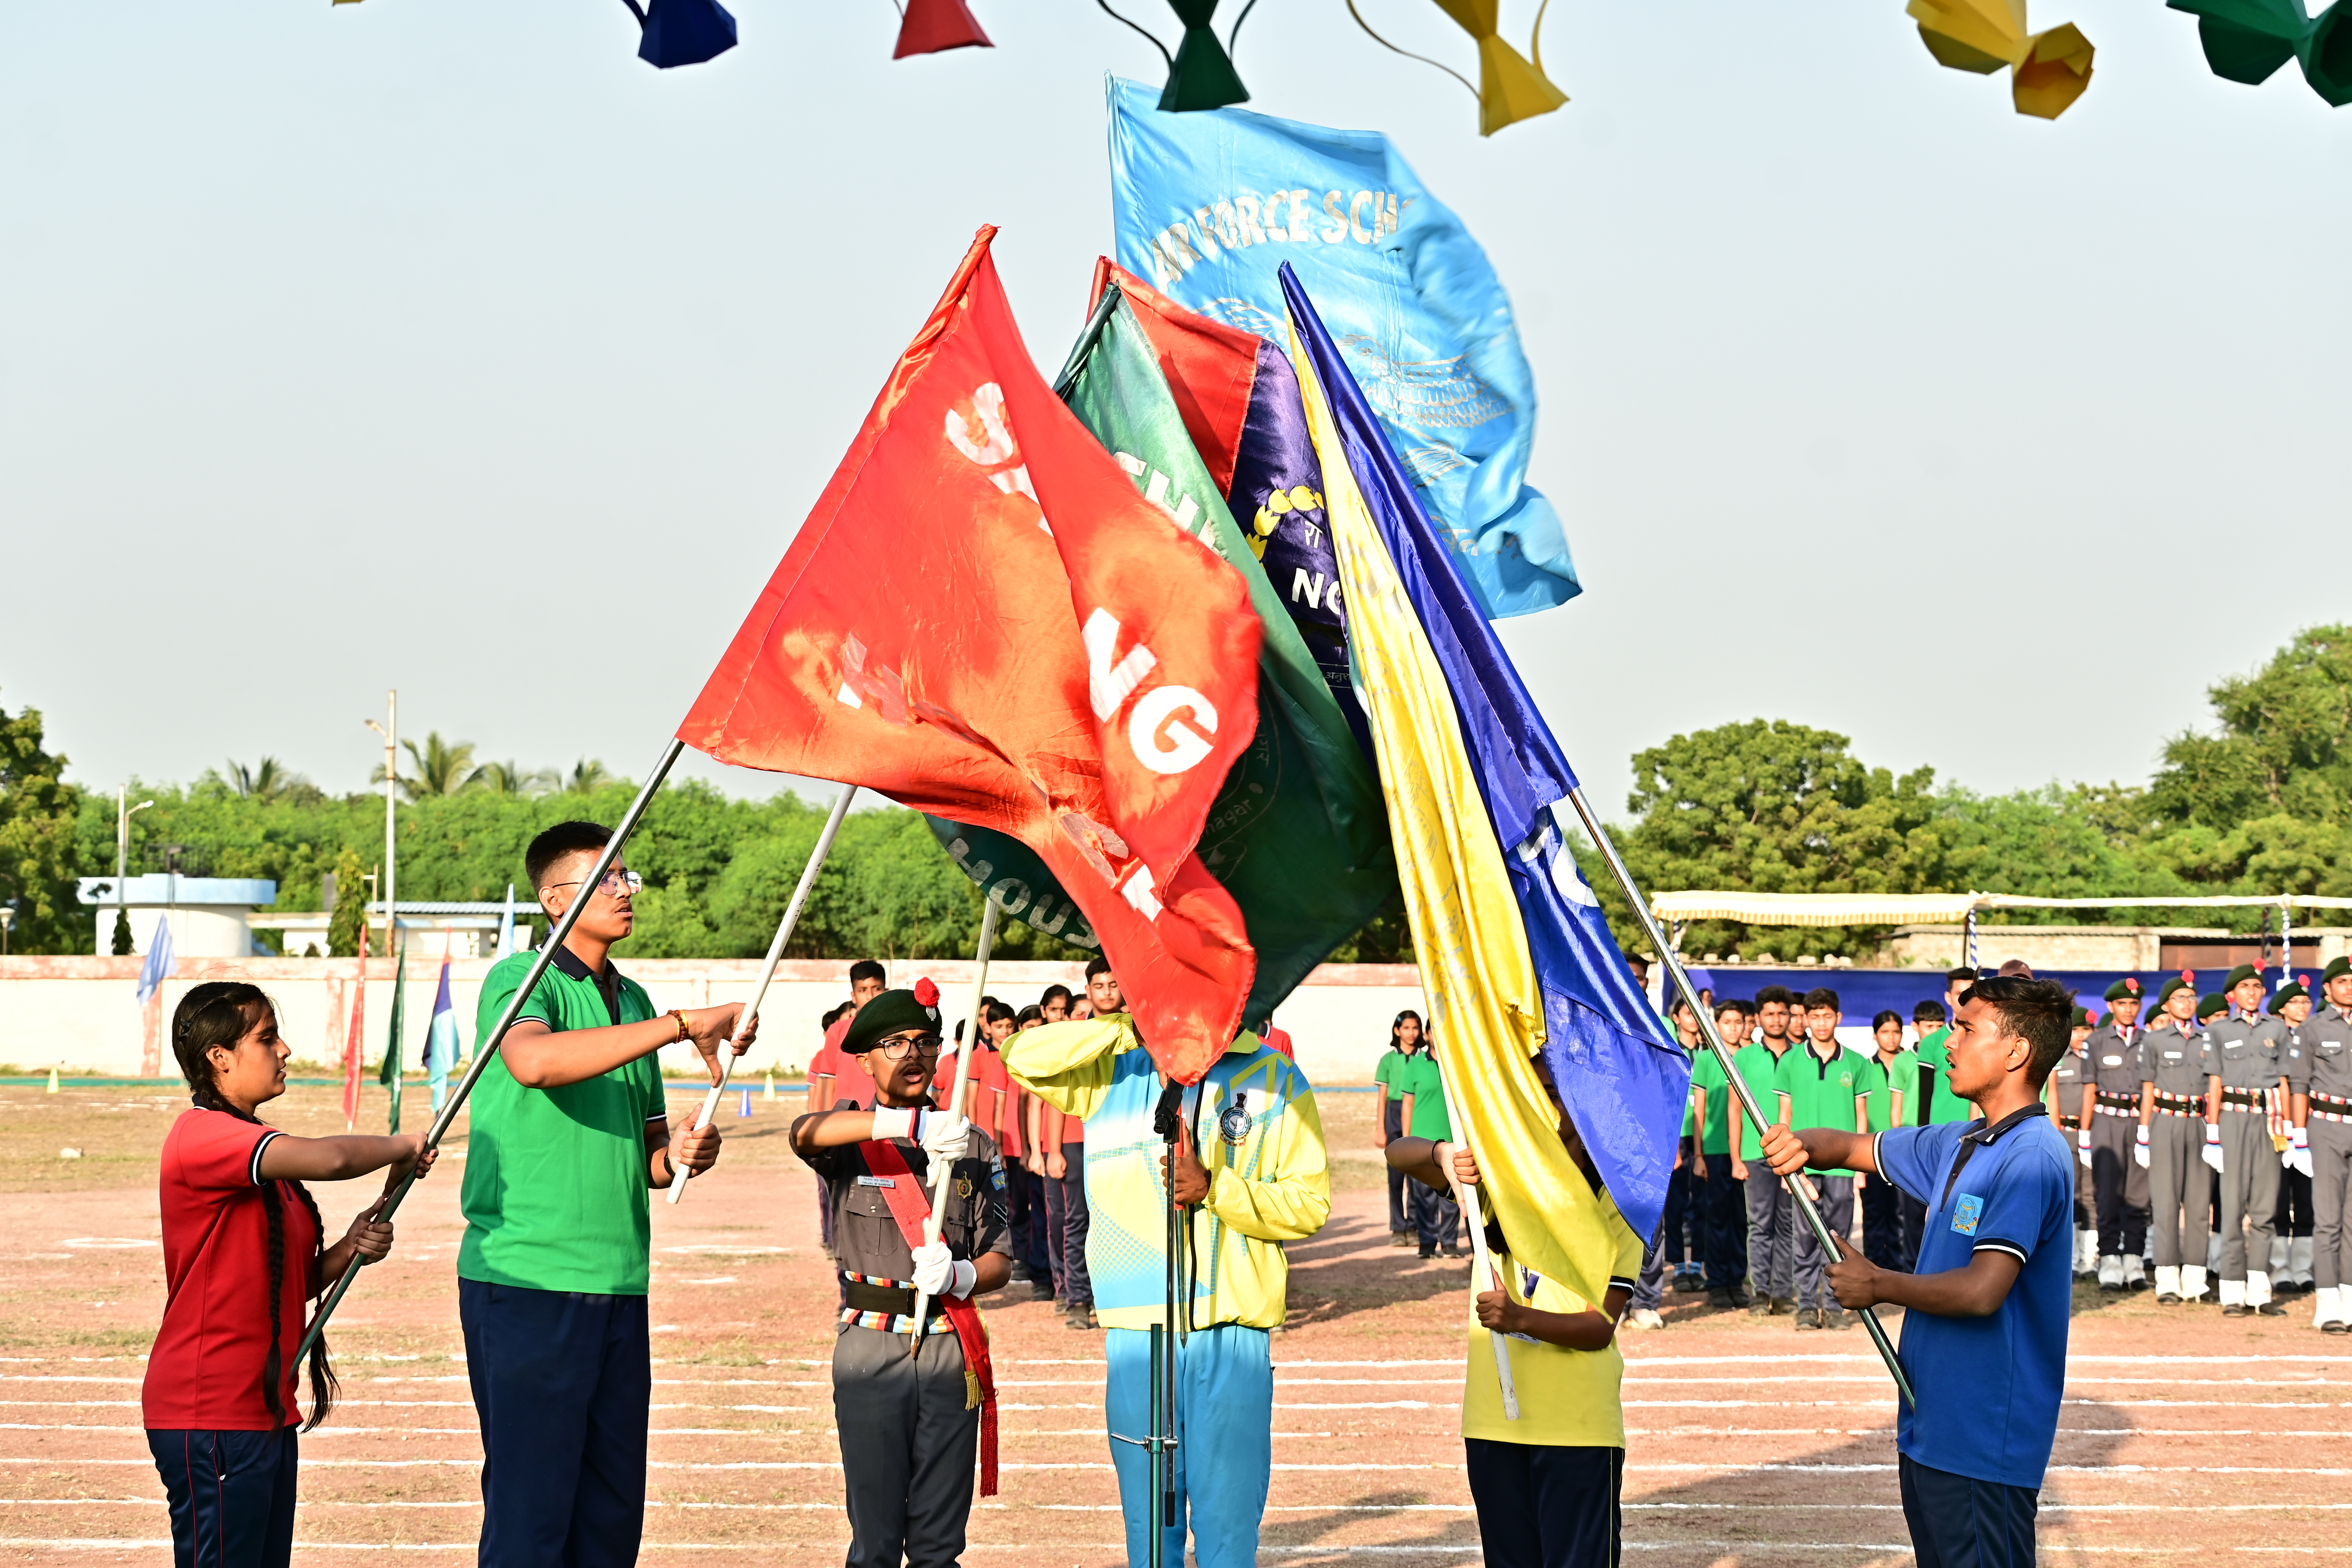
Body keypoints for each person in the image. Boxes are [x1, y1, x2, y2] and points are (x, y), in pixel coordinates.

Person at [459, 822, 753, 1568]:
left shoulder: (634, 999)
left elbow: (648, 1153)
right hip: (528, 1279)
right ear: (557, 900)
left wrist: (681, 1151)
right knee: (531, 1512)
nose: (626, 891)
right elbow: (532, 1062)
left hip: (619, 1281)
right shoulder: (520, 980)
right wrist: (682, 1025)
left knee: (610, 1513)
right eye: (608, 878)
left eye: (629, 877)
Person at [1003, 987, 1331, 1568]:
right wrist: (1139, 1026)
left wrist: (1216, 1189)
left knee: (1227, 1526)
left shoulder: (1275, 1078)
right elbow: (1022, 1056)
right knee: (1152, 1529)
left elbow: (1309, 1204)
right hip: (1138, 1334)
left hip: (1230, 1331)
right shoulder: (1111, 1072)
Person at [1759, 975, 2077, 1568]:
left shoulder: (2031, 1156)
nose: (1948, 1045)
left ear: (2016, 1052)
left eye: (1965, 1029)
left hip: (1983, 1441)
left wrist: (1878, 1285)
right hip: (1933, 1428)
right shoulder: (1962, 1141)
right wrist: (1800, 1143)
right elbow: (1854, 1147)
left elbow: (1985, 1291)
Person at [148, 982, 434, 1568]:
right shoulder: (203, 1136)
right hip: (212, 1409)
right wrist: (400, 1144)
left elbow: (284, 1286)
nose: (285, 1051)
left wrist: (350, 1248)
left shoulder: (257, 1154)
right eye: (267, 1037)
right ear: (219, 1057)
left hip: (265, 1407)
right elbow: (331, 1159)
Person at [1386, 1059, 1643, 1568]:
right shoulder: (1500, 1179)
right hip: (1494, 1423)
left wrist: (1519, 1319)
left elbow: (1598, 1328)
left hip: (1577, 1426)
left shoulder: (1621, 1196)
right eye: (1532, 1091)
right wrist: (1444, 1154)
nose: (1542, 1103)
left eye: (1553, 1091)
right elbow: (1399, 1152)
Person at [790, 979, 1011, 1568]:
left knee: (940, 1544)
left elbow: (1001, 1259)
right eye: (894, 1043)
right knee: (876, 1541)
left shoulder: (973, 1146)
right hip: (870, 1345)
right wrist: (904, 1130)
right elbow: (803, 1134)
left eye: (924, 1042)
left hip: (947, 1347)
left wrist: (962, 1276)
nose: (913, 1054)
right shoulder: (851, 1134)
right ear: (864, 1059)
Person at [1772, 988, 1869, 1330]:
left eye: (1828, 1015)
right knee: (1805, 1237)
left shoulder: (1857, 1062)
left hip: (1845, 1164)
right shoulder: (1790, 1060)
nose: (1821, 1022)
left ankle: (1835, 1307)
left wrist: (1861, 1169)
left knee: (1839, 1238)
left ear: (1838, 1018)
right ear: (1806, 1019)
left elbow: (1861, 1117)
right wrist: (1786, 1167)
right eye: (1815, 1016)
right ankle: (1806, 1308)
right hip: (1802, 1165)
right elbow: (1785, 1114)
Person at [2208, 963, 2291, 1317]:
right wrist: (2212, 1132)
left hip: (2269, 1120)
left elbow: (2285, 1081)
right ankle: (2231, 1292)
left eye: (2258, 986)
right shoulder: (2219, 1030)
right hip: (2233, 1119)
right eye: (2245, 986)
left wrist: (2290, 1129)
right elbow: (2214, 1082)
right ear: (2233, 994)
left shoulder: (2279, 1028)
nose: (2253, 992)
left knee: (2265, 1209)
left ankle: (2260, 1290)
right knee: (2232, 1206)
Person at [2135, 974, 2213, 1305]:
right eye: (2180, 998)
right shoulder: (2154, 1040)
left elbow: (2216, 1085)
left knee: (2198, 1204)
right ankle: (2167, 1280)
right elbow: (2148, 1088)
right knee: (2165, 1202)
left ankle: (2196, 1278)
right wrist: (2143, 1131)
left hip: (2200, 1121)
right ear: (2166, 1005)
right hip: (2164, 1122)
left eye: (2191, 997)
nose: (2187, 1003)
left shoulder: (2209, 1039)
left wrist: (2216, 1128)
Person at [2288, 956, 2352, 1331]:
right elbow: (2299, 1084)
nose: (2349, 987)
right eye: (2342, 981)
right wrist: (2299, 1136)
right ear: (2326, 989)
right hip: (2325, 1125)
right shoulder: (2312, 1029)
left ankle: (2350, 1298)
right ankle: (2328, 1303)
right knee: (2328, 1220)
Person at [810, 961, 890, 1259]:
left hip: (886, 1129)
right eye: (863, 990)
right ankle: (848, 1293)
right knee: (845, 1207)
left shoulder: (895, 1031)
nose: (870, 995)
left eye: (876, 989)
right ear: (853, 994)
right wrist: (821, 1131)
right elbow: (827, 1086)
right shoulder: (837, 1032)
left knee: (885, 1209)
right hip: (845, 1133)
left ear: (886, 990)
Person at [1731, 985, 1801, 1316]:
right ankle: (1760, 1291)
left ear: (1791, 1015)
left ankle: (1784, 1293)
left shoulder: (1801, 1055)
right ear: (1758, 1018)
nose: (1776, 1019)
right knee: (1759, 1225)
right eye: (1769, 1014)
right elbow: (1734, 1109)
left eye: (1782, 1013)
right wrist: (1735, 1158)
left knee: (1788, 1224)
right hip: (1754, 1153)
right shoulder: (1743, 1057)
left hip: (1791, 1153)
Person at [2077, 977, 2151, 1292]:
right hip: (2106, 1121)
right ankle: (2109, 1259)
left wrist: (2147, 1130)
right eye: (2122, 1004)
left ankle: (2133, 1260)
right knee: (2106, 1192)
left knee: (2138, 1195)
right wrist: (2084, 1132)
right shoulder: (2097, 1042)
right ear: (2110, 1007)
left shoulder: (2150, 1040)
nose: (2128, 1009)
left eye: (2134, 1004)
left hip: (2139, 1121)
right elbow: (2090, 1090)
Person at [1688, 999, 1751, 1309]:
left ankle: (1736, 1281)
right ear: (1717, 1025)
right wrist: (1698, 1155)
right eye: (1727, 1022)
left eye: (1739, 1022)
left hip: (1749, 1150)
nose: (1733, 1027)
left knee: (1742, 1218)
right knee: (1716, 1219)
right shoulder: (1706, 1059)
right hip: (1714, 1150)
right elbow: (1699, 1109)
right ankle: (1716, 1282)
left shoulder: (1751, 1058)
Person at [2270, 978, 2316, 1296]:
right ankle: (2279, 1268)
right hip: (2276, 1129)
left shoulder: (2316, 1036)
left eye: (2306, 1002)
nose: (2302, 1008)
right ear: (2282, 1009)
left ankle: (2302, 1268)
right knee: (2275, 1198)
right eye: (2295, 1003)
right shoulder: (2271, 1038)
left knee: (2307, 1200)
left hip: (2313, 1128)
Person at [1400, 1034, 1465, 1260]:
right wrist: (1407, 1141)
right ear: (1427, 1035)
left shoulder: (1458, 1063)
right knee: (1424, 1198)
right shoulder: (1415, 1066)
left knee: (1453, 1196)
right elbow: (1407, 1105)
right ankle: (1427, 1244)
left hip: (1452, 1140)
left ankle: (1450, 1244)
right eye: (1433, 1031)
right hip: (1422, 1144)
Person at [1861, 1010, 1916, 1271]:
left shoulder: (1913, 1065)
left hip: (1902, 1148)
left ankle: (1897, 1264)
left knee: (1900, 1210)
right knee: (1874, 1208)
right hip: (1871, 1150)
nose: (1891, 1038)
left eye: (1896, 1032)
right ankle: (1874, 1261)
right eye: (1885, 1032)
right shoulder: (1865, 1068)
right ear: (1875, 1035)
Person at [2045, 1002, 2096, 1278]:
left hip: (2090, 1134)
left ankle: (2090, 1258)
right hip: (2064, 1133)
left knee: (2091, 1195)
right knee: (2072, 1196)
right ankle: (2072, 1259)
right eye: (2078, 1030)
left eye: (2088, 1030)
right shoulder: (2059, 1059)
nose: (2082, 1036)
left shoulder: (2095, 1059)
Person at [1374, 1011, 1425, 1247]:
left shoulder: (1425, 1059)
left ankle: (1415, 1226)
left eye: (1415, 1028)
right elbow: (1382, 1097)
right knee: (1395, 1176)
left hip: (1418, 1113)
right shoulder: (1387, 1060)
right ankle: (1398, 1228)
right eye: (1406, 1028)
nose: (1411, 1033)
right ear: (1397, 1031)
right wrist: (1380, 1129)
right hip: (1394, 1114)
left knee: (1417, 1175)